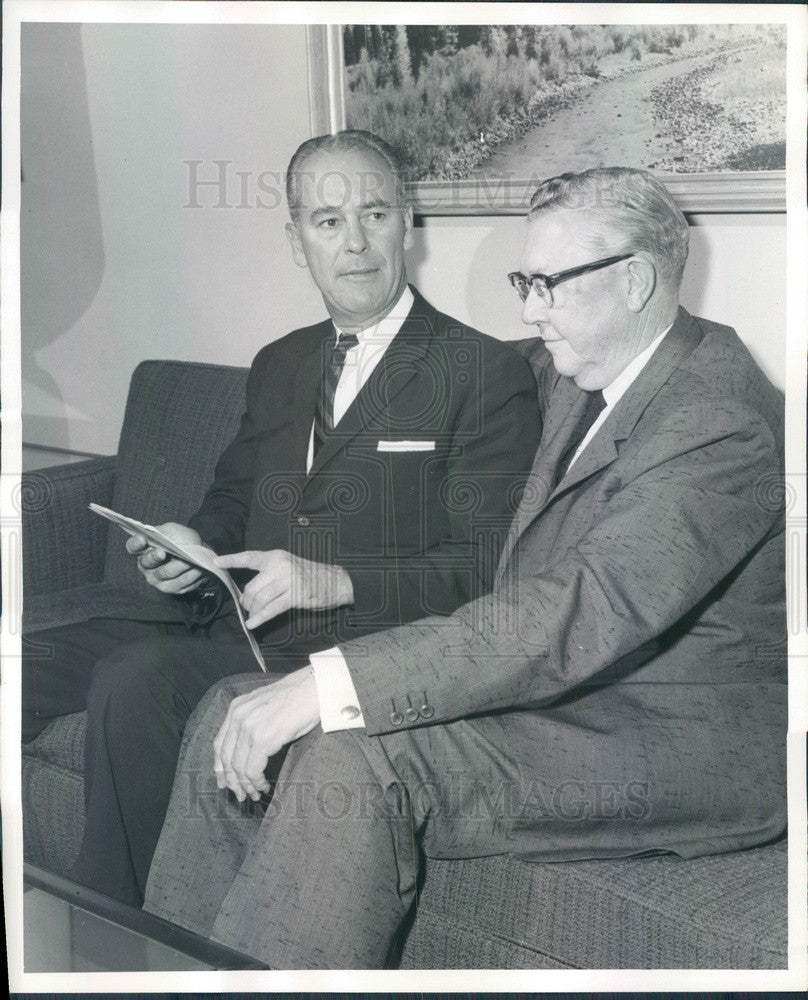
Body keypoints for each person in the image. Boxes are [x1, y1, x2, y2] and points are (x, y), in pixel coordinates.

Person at [143, 166, 787, 969]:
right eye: (527, 280)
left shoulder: (719, 419)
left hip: (664, 737)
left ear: (636, 280)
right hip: (563, 695)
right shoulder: (576, 371)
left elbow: (580, 609)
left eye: (548, 284)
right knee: (231, 706)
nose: (529, 309)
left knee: (353, 751)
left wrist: (331, 681)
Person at [21, 130, 541, 905]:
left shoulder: (483, 370)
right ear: (297, 240)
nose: (356, 243)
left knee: (133, 685)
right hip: (223, 619)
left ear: (408, 221)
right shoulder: (282, 362)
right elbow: (234, 503)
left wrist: (331, 580)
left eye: (374, 214)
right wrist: (189, 542)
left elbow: (489, 567)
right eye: (328, 222)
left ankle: (114, 952)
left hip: (347, 649)